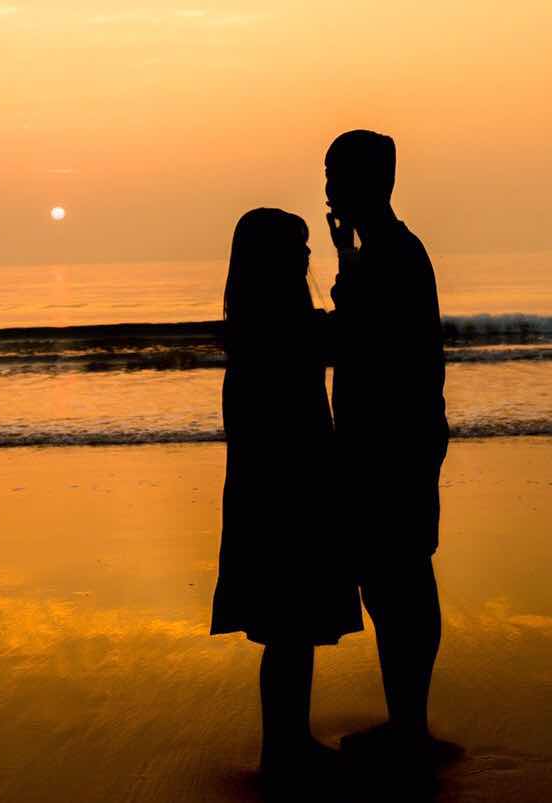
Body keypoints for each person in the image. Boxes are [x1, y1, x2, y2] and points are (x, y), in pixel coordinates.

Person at [209, 208, 363, 777]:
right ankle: (285, 747)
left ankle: (287, 741)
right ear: (274, 261)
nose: (306, 255)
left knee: (286, 632)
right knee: (291, 630)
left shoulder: (252, 328)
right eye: (299, 246)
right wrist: (348, 256)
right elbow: (347, 332)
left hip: (265, 495)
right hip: (288, 496)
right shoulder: (283, 329)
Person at [324, 130, 449, 756]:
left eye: (335, 174)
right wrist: (347, 256)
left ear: (369, 182)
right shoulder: (386, 251)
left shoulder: (392, 255)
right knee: (394, 579)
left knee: (398, 581)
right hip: (396, 437)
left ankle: (409, 726)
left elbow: (356, 341)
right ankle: (407, 721)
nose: (327, 188)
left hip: (391, 443)